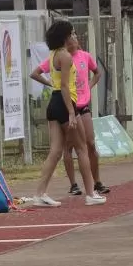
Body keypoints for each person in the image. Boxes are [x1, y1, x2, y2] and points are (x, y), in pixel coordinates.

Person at [32, 20, 106, 208]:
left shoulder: (53, 54)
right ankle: (90, 193)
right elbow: (65, 86)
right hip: (65, 104)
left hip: (54, 104)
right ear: (65, 37)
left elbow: (57, 84)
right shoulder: (65, 56)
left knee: (55, 151)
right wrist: (72, 113)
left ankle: (40, 193)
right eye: (71, 33)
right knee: (81, 148)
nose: (74, 36)